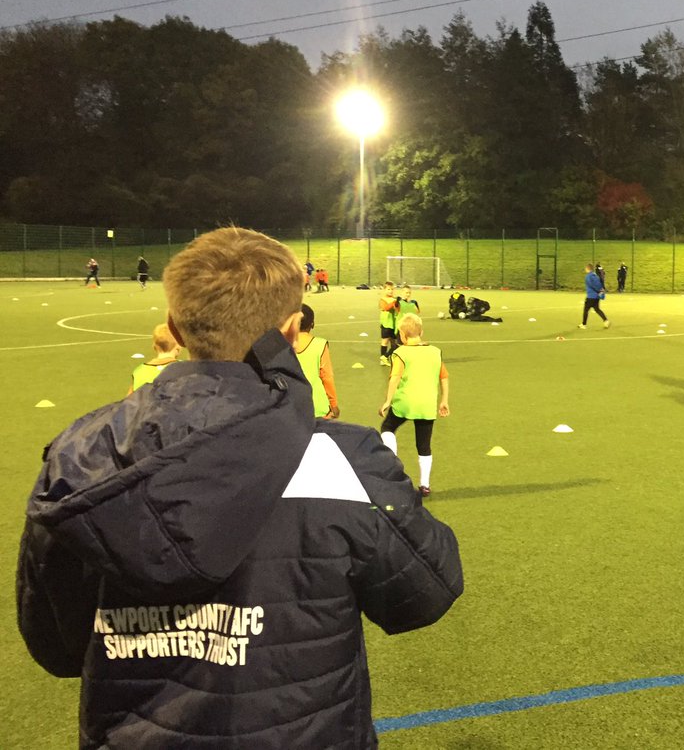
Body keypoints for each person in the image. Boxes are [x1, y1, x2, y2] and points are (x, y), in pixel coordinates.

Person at [17, 226, 463, 749]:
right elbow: (424, 595)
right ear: (292, 333)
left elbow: (56, 645)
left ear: (174, 328)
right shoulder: (343, 459)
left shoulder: (80, 457)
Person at [379, 313, 450, 497]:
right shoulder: (435, 351)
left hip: (405, 403)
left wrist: (388, 400)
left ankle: (392, 465)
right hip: (427, 405)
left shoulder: (400, 353)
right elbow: (444, 377)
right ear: (421, 332)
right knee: (424, 445)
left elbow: (395, 378)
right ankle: (425, 484)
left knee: (387, 427)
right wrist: (444, 400)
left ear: (402, 335)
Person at [294, 303, 339, 420]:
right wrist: (333, 404)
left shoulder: (282, 344)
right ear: (312, 324)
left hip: (291, 407)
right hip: (317, 406)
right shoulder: (320, 345)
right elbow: (327, 377)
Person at [127, 323, 180, 394]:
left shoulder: (139, 371)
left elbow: (129, 399)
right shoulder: (184, 369)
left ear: (154, 347)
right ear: (178, 348)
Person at [580, 263, 610, 329]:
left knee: (586, 310)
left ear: (587, 269)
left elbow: (592, 285)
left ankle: (584, 324)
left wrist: (598, 290)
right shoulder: (595, 276)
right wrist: (600, 291)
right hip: (596, 296)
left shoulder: (588, 276)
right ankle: (606, 320)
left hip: (591, 296)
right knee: (597, 309)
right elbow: (599, 284)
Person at [379, 280, 399, 364]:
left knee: (395, 344)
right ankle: (383, 358)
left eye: (392, 289)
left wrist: (398, 305)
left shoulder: (394, 299)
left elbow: (397, 310)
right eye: (388, 289)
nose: (390, 291)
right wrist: (394, 303)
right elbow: (385, 308)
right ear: (384, 290)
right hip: (386, 324)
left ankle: (387, 356)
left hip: (394, 324)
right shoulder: (382, 299)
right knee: (385, 341)